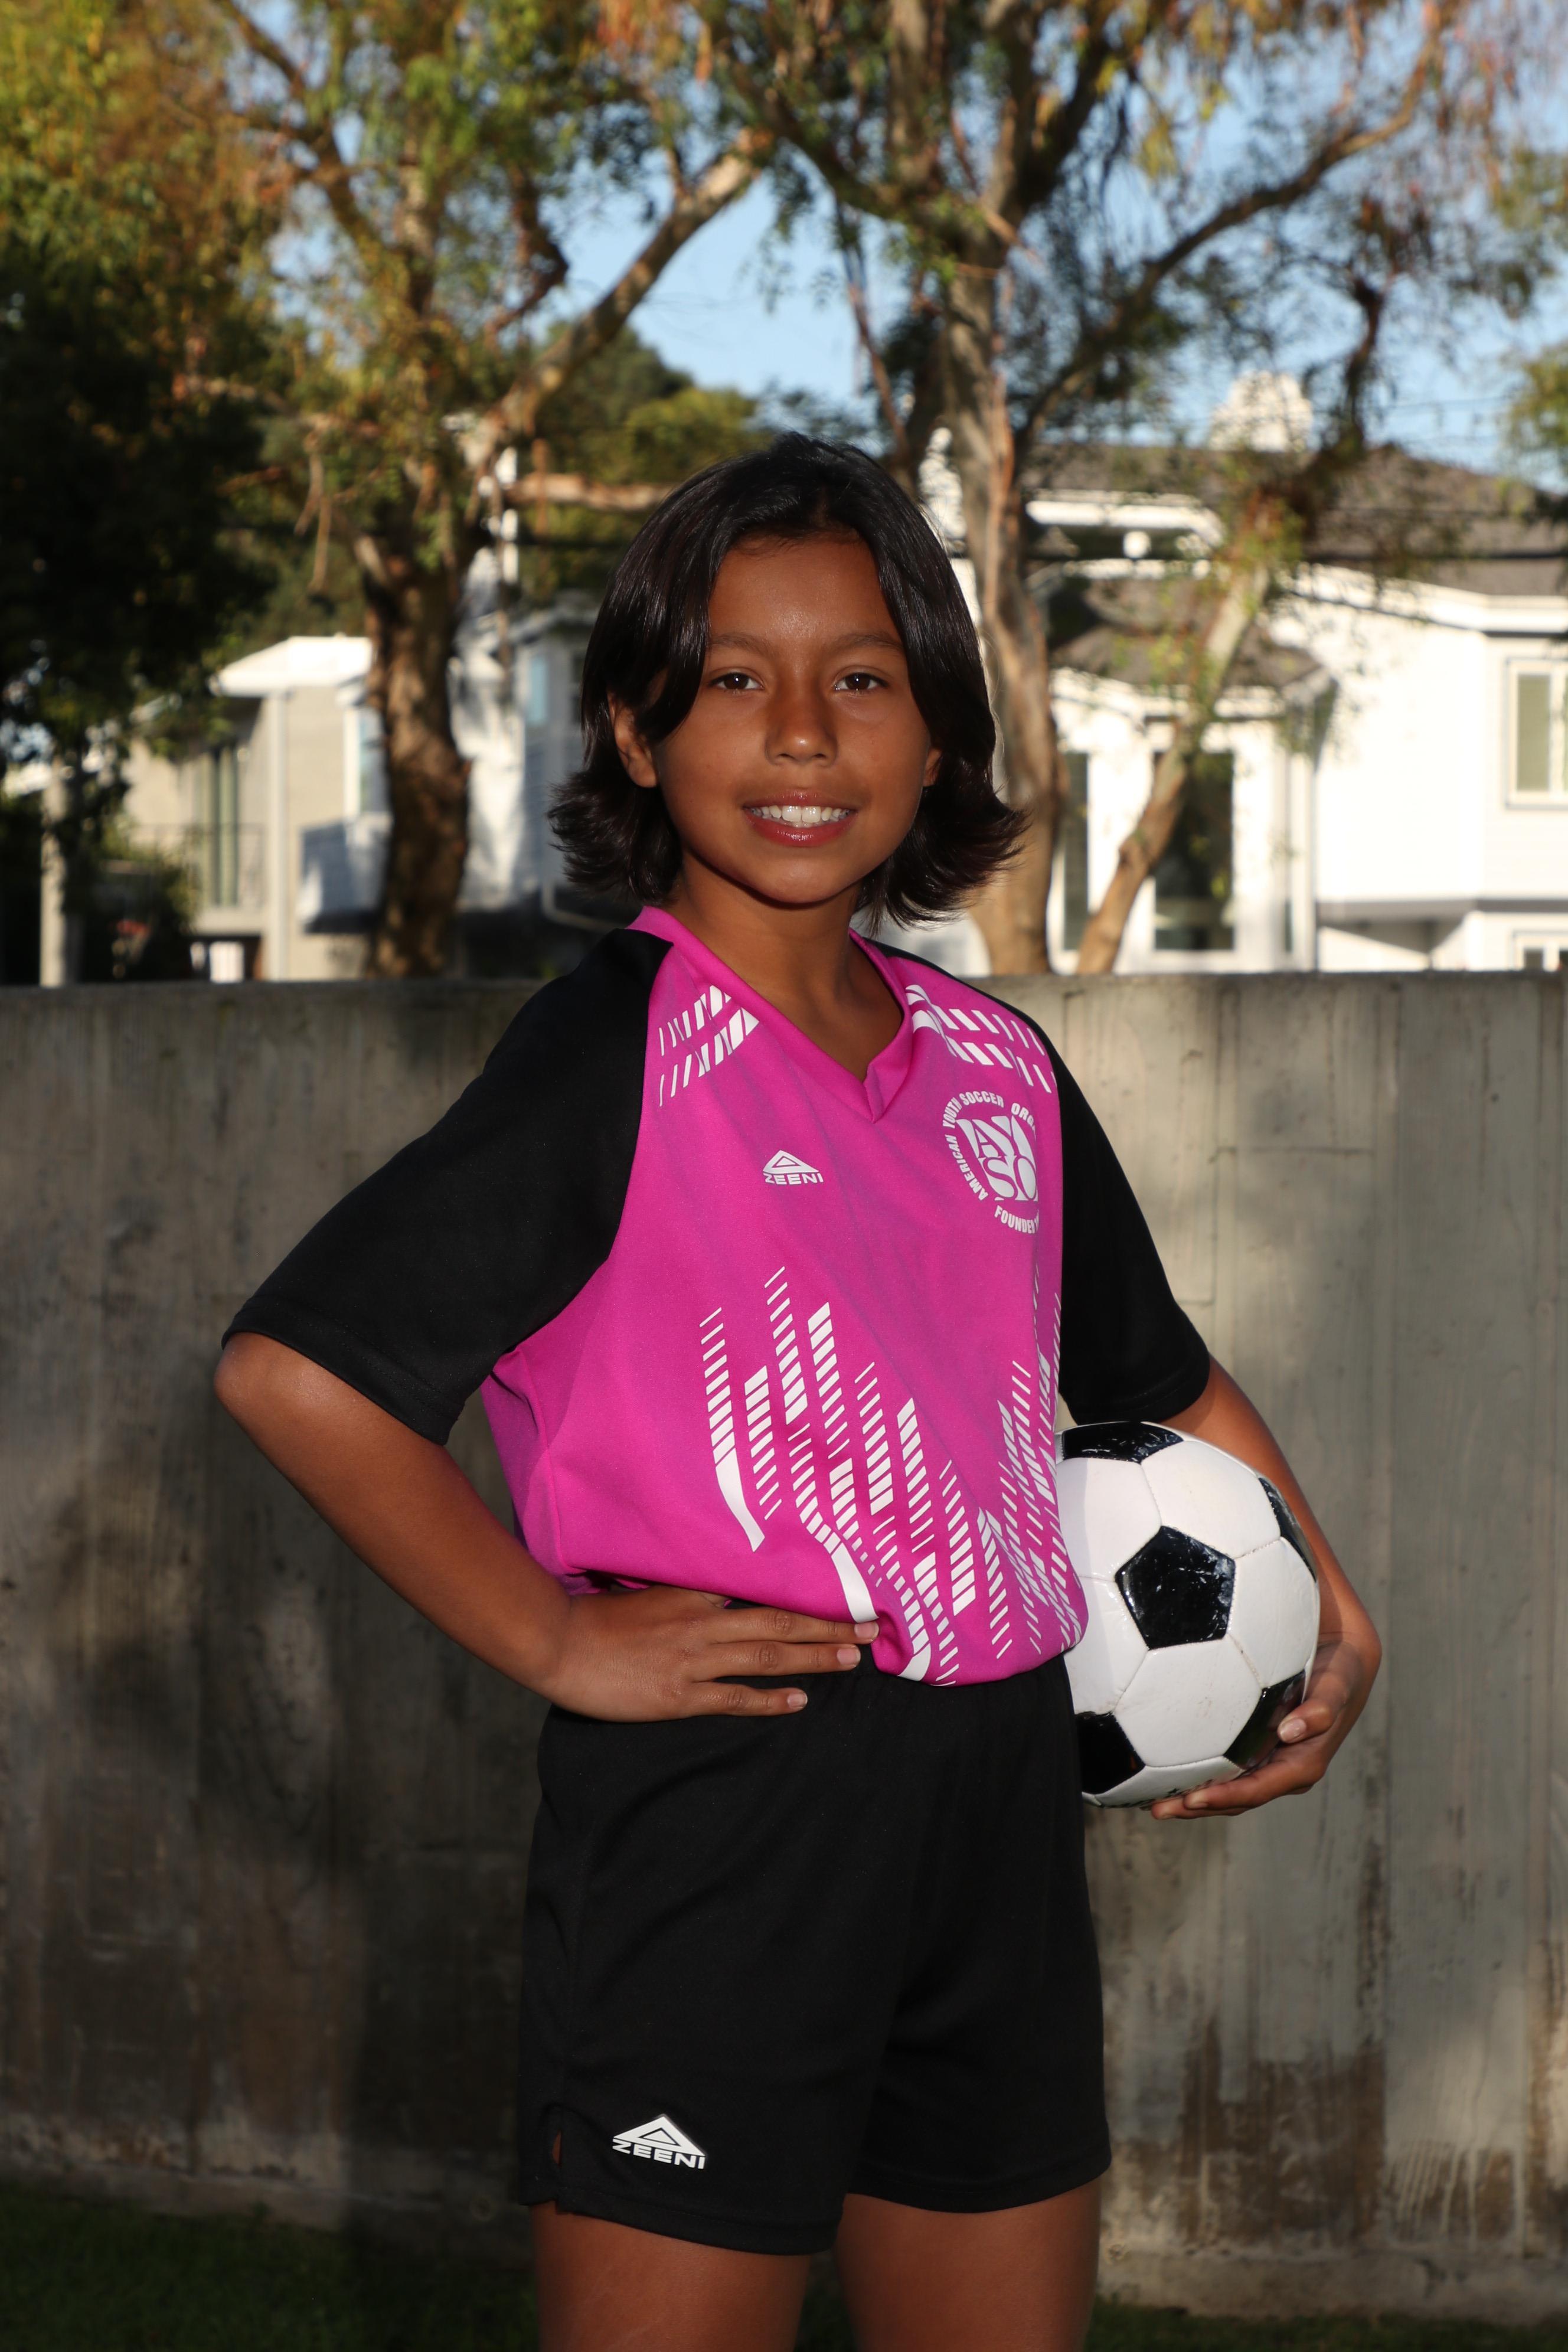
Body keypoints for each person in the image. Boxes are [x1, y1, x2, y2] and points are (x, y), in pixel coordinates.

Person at [215, 436, 1381, 2352]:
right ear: (638, 728)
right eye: (736, 679)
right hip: (726, 1812)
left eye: (861, 678)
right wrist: (556, 1640)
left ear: (936, 736)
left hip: (1002, 1802)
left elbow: (1160, 1377)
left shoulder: (997, 1065)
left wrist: (1328, 1599)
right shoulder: (610, 1051)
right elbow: (298, 1373)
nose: (803, 735)